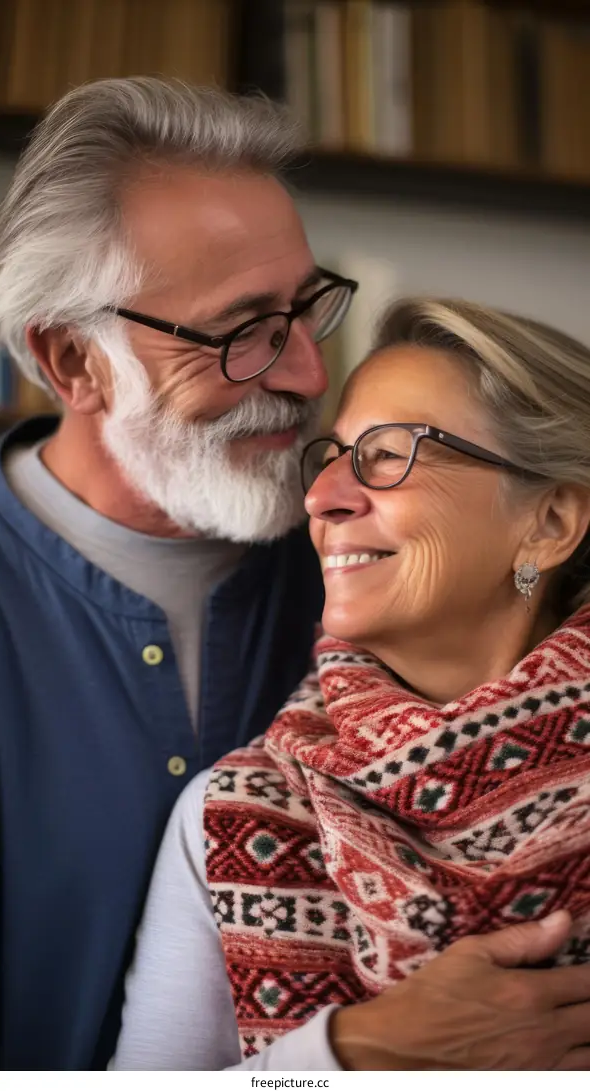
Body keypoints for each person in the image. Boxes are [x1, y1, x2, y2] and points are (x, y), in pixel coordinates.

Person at [0, 77, 362, 1069]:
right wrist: (358, 1055)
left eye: (305, 308)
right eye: (242, 331)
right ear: (75, 360)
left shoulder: (376, 566)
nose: (307, 376)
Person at [113, 298, 590, 1071]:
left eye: (390, 452)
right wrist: (351, 1054)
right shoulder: (232, 818)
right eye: (332, 454)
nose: (322, 496)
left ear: (551, 520)